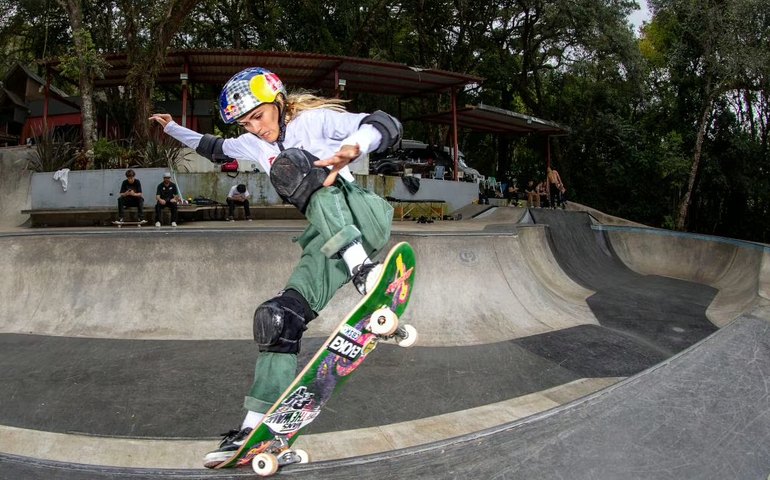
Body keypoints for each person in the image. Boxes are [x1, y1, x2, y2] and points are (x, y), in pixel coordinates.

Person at [149, 67, 401, 467]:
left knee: (293, 165)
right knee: (277, 318)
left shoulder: (313, 121)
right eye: (246, 122)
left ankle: (364, 269)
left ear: (279, 104)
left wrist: (354, 145)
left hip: (364, 216)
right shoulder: (250, 142)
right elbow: (213, 147)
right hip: (328, 239)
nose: (256, 129)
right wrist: (173, 129)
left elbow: (384, 123)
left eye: (260, 117)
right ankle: (256, 429)